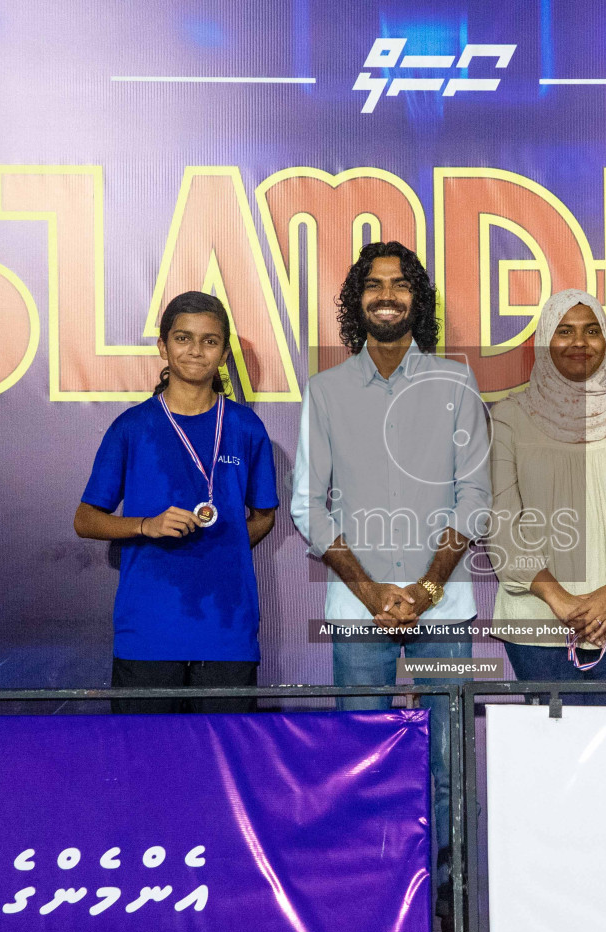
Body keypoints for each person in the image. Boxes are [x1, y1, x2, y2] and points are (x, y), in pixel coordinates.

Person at [289, 240, 490, 883]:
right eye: (374, 284)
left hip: (446, 608)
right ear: (357, 299)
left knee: (449, 765)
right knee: (361, 764)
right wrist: (374, 594)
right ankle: (372, 911)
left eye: (400, 284)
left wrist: (426, 589)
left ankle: (449, 918)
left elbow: (476, 497)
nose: (386, 294)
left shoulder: (455, 383)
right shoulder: (325, 391)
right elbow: (308, 506)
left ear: (416, 299)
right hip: (357, 613)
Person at [75, 290, 278, 713]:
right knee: (148, 768)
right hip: (149, 630)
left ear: (223, 353)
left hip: (228, 630)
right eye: (183, 338)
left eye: (209, 341)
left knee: (223, 765)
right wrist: (145, 525)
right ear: (163, 347)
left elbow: (264, 516)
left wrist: (226, 545)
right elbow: (86, 519)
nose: (196, 350)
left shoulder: (246, 427)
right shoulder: (132, 426)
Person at [488, 289, 606, 702]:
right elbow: (500, 520)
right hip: (537, 620)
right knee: (549, 753)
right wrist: (560, 600)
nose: (579, 342)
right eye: (564, 331)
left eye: (592, 331)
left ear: (605, 340)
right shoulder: (510, 417)